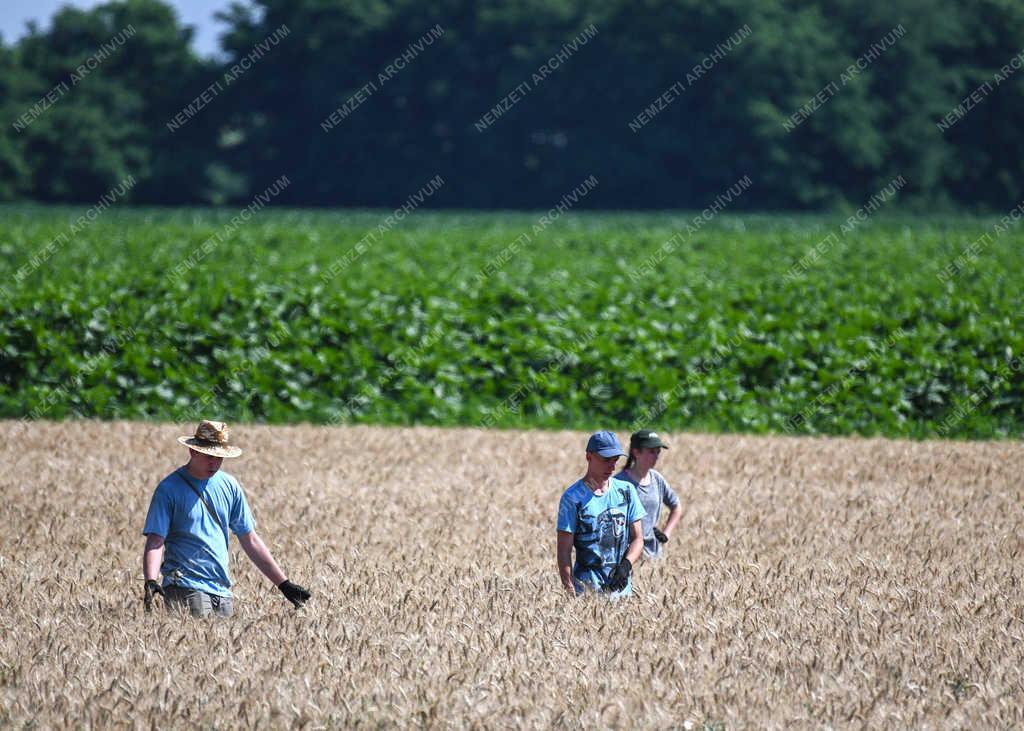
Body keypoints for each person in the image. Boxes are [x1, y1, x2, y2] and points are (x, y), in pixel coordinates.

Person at [142, 419, 311, 617]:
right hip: (185, 586)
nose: (215, 463)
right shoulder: (169, 489)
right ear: (193, 451)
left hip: (222, 590)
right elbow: (155, 540)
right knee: (198, 645)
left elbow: (250, 540)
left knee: (221, 647)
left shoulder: (229, 485)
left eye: (219, 457)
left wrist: (284, 584)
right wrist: (151, 580)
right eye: (209, 456)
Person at [556, 430, 645, 597]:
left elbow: (638, 538)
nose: (611, 467)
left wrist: (626, 565)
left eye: (615, 460)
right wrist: (569, 592)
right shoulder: (572, 498)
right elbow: (564, 551)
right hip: (587, 592)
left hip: (622, 592)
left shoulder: (626, 491)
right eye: (605, 460)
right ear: (589, 457)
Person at [615, 429, 682, 559]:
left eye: (658, 452)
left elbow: (676, 506)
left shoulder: (657, 479)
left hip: (653, 555)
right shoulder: (619, 482)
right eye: (651, 452)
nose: (656, 456)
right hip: (627, 557)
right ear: (636, 452)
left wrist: (666, 534)